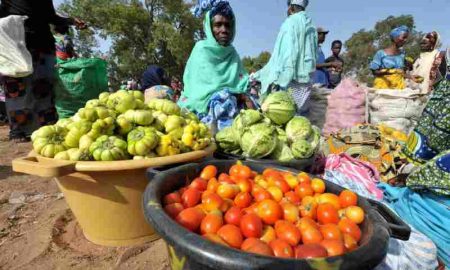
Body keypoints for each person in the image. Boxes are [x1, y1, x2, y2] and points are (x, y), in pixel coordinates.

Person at [0, 0, 85, 142]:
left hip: (41, 44)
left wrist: (70, 21)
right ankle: (19, 131)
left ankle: (46, 129)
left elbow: (50, 16)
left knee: (43, 89)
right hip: (17, 47)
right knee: (17, 89)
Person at [178, 0, 249, 115]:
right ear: (209, 27)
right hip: (203, 107)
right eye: (218, 25)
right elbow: (197, 91)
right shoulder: (201, 50)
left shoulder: (232, 53)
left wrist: (241, 96)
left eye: (227, 25)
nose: (224, 30)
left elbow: (242, 86)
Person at [253, 0, 317, 115]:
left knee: (284, 115)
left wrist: (283, 77)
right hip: (305, 82)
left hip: (289, 81)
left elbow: (288, 53)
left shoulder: (290, 22)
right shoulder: (310, 24)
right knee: (301, 119)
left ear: (291, 8)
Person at [369, 25, 421, 90]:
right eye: (404, 37)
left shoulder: (402, 54)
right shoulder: (381, 53)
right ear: (395, 37)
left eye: (406, 38)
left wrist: (411, 77)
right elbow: (374, 72)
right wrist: (387, 72)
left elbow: (400, 72)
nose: (405, 40)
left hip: (398, 86)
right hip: (383, 86)